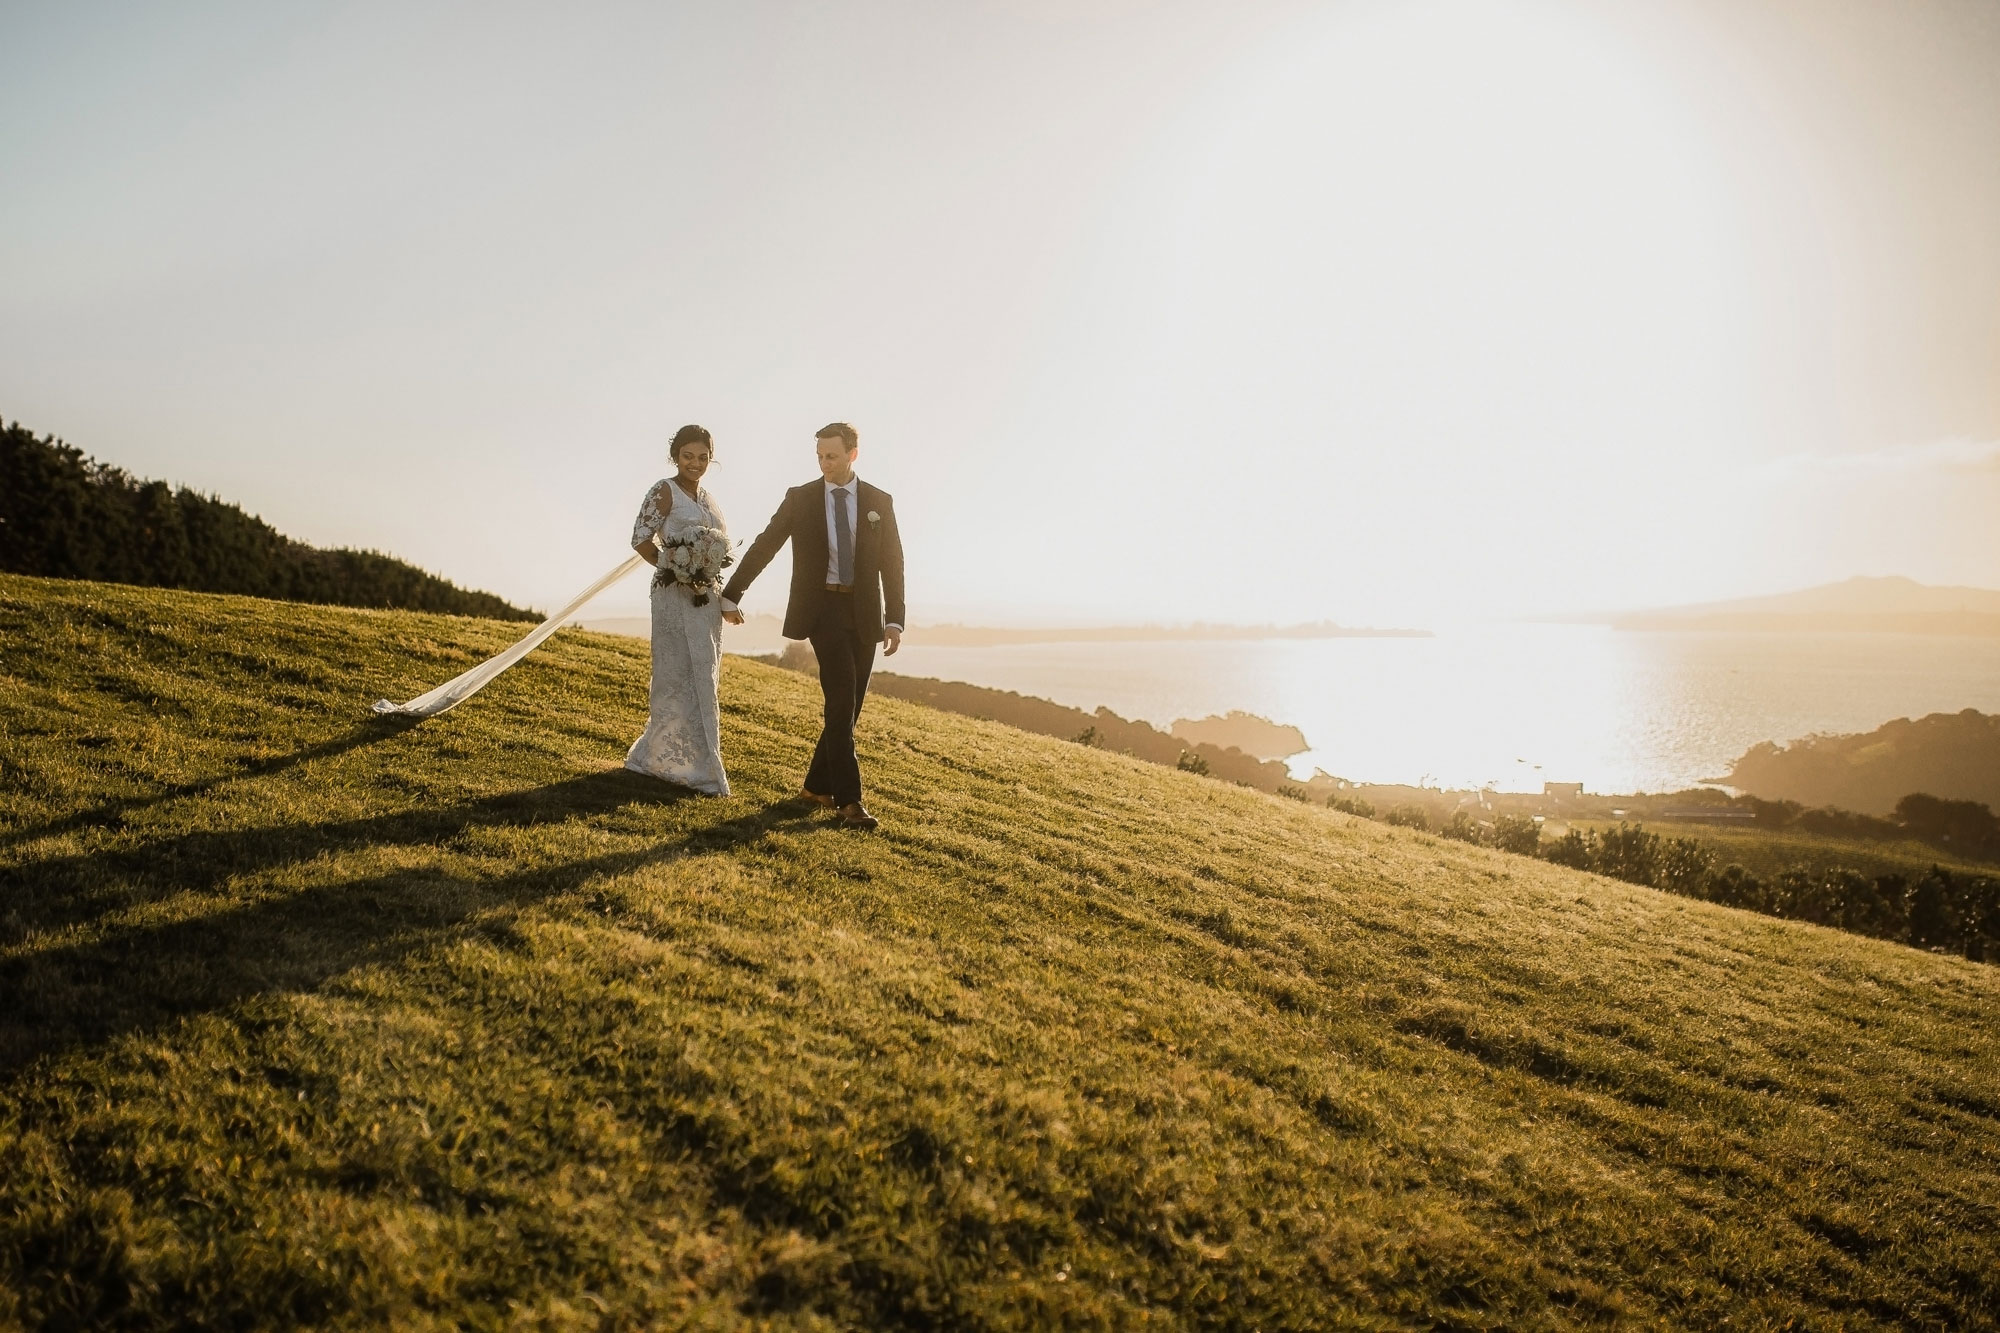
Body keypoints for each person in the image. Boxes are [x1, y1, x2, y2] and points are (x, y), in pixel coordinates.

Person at [721, 422, 905, 829]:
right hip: (822, 611)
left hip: (864, 615)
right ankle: (849, 802)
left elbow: (892, 563)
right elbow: (766, 544)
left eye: (832, 456)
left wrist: (894, 619)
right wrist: (732, 593)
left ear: (853, 454)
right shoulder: (801, 498)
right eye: (820, 455)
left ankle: (816, 787)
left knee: (850, 709)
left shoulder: (879, 501)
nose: (824, 463)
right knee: (840, 701)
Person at [626, 424, 732, 794]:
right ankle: (662, 757)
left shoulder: (709, 500)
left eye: (703, 458)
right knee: (675, 673)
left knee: (704, 672)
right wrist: (676, 570)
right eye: (688, 456)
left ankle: (700, 760)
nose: (696, 463)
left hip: (707, 601)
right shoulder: (664, 490)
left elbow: (719, 547)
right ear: (676, 456)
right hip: (672, 596)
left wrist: (707, 576)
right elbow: (640, 539)